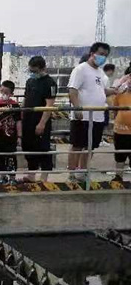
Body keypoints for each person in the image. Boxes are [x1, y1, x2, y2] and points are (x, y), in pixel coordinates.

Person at [67, 42, 115, 183]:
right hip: (82, 116)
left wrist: (114, 90)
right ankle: (71, 172)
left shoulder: (100, 72)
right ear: (92, 53)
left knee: (90, 146)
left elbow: (101, 91)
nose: (103, 57)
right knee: (77, 145)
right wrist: (77, 108)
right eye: (101, 54)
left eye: (105, 55)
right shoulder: (80, 69)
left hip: (97, 116)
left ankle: (82, 172)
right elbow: (72, 90)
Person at [21, 56, 57, 182]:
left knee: (42, 148)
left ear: (43, 68)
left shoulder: (50, 83)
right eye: (31, 71)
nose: (33, 73)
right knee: (28, 146)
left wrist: (42, 123)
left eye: (35, 71)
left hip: (40, 119)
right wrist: (21, 114)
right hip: (28, 119)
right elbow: (25, 99)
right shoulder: (30, 81)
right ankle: (31, 175)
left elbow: (49, 105)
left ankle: (44, 177)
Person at [0, 81, 22, 184]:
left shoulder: (15, 106)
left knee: (11, 157)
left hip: (11, 137)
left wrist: (19, 136)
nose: (3, 94)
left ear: (11, 94)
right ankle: (2, 176)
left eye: (6, 92)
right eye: (2, 91)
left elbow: (18, 121)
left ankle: (12, 178)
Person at [112, 67, 131, 182]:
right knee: (120, 155)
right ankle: (118, 177)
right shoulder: (120, 92)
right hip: (121, 130)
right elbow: (115, 109)